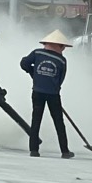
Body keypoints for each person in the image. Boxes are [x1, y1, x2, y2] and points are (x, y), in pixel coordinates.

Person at [20, 29, 75, 159]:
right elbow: (61, 79)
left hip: (37, 92)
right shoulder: (61, 60)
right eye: (63, 46)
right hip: (53, 94)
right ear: (58, 45)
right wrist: (54, 89)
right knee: (59, 122)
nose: (63, 49)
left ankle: (34, 150)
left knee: (36, 120)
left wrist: (33, 73)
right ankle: (65, 151)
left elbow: (24, 63)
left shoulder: (37, 53)